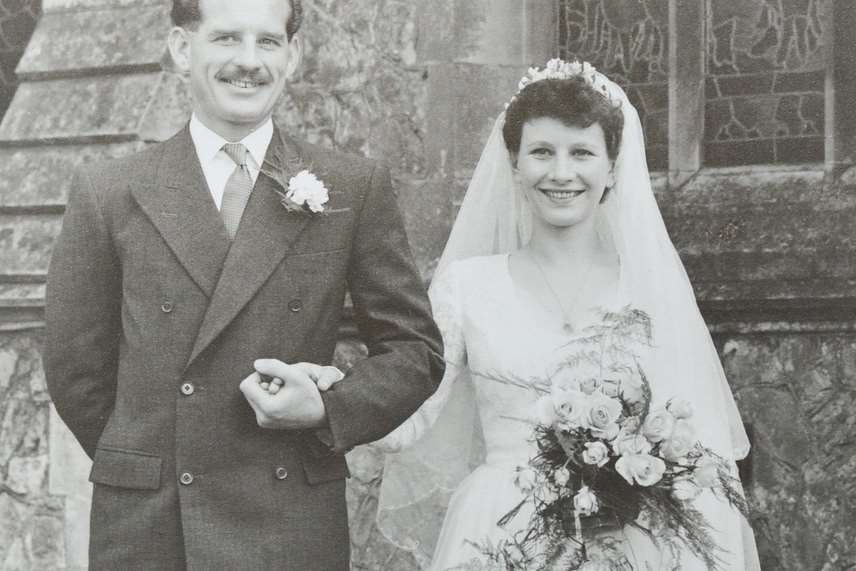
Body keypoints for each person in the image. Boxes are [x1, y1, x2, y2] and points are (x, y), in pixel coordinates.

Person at [43, 0, 444, 568]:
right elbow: (75, 367)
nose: (249, 62)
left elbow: (416, 352)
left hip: (288, 522)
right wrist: (142, 458)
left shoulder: (352, 185)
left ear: (294, 54)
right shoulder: (109, 190)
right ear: (184, 48)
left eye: (269, 42)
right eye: (227, 39)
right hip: (153, 531)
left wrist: (327, 412)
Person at [366, 60, 761, 570]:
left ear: (612, 167)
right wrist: (331, 400)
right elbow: (412, 410)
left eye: (581, 153)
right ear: (514, 165)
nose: (560, 173)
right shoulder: (468, 285)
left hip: (630, 531)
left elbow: (694, 441)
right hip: (499, 529)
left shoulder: (646, 289)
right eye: (541, 152)